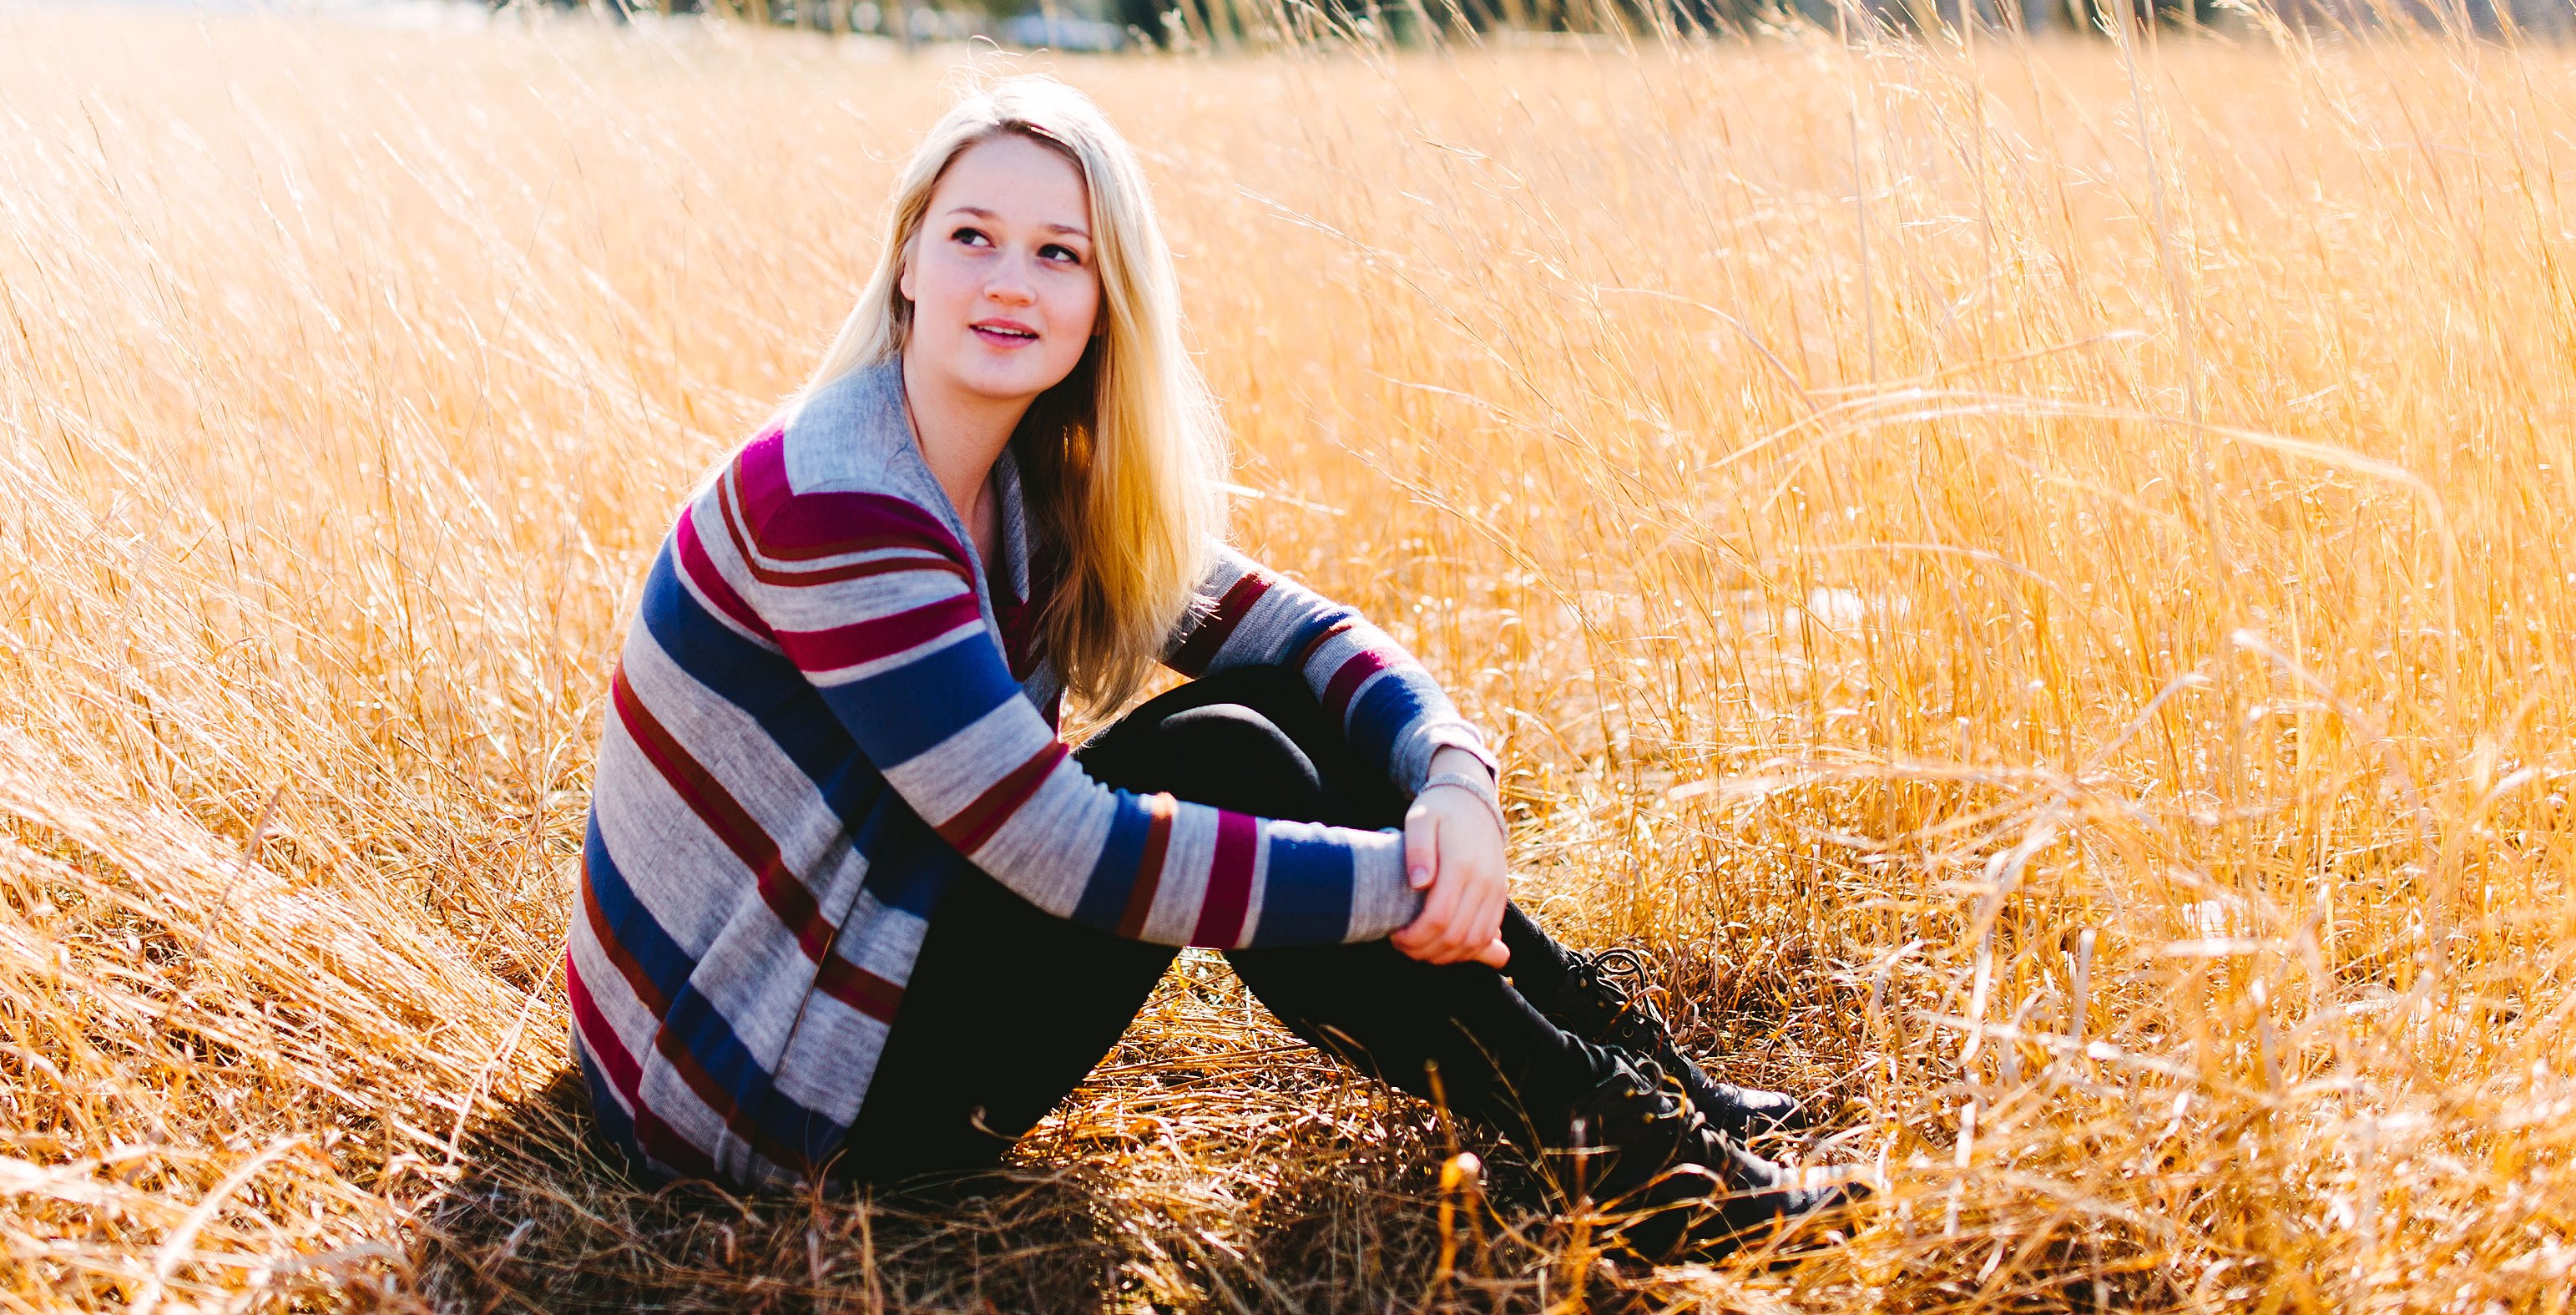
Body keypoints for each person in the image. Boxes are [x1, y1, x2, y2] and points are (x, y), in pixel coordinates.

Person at [563, 77, 1844, 1253]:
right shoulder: (839, 503)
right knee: (1224, 756)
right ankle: (1639, 1157)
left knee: (1268, 703)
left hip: (873, 961)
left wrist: (1454, 779)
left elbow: (1292, 630)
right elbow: (1062, 847)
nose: (1011, 280)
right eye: (972, 236)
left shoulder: (1024, 478)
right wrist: (1403, 882)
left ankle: (1636, 1078)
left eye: (1059, 253)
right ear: (906, 262)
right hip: (762, 1091)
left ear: (1104, 299)